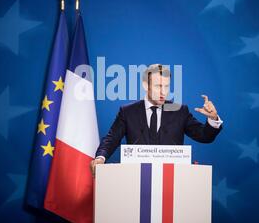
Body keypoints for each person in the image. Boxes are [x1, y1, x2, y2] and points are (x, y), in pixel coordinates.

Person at [90, 64, 223, 176]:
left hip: (172, 181)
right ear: (145, 85)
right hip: (136, 179)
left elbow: (204, 136)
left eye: (166, 86)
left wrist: (212, 119)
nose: (163, 92)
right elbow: (111, 138)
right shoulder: (127, 112)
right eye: (158, 86)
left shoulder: (179, 110)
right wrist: (100, 158)